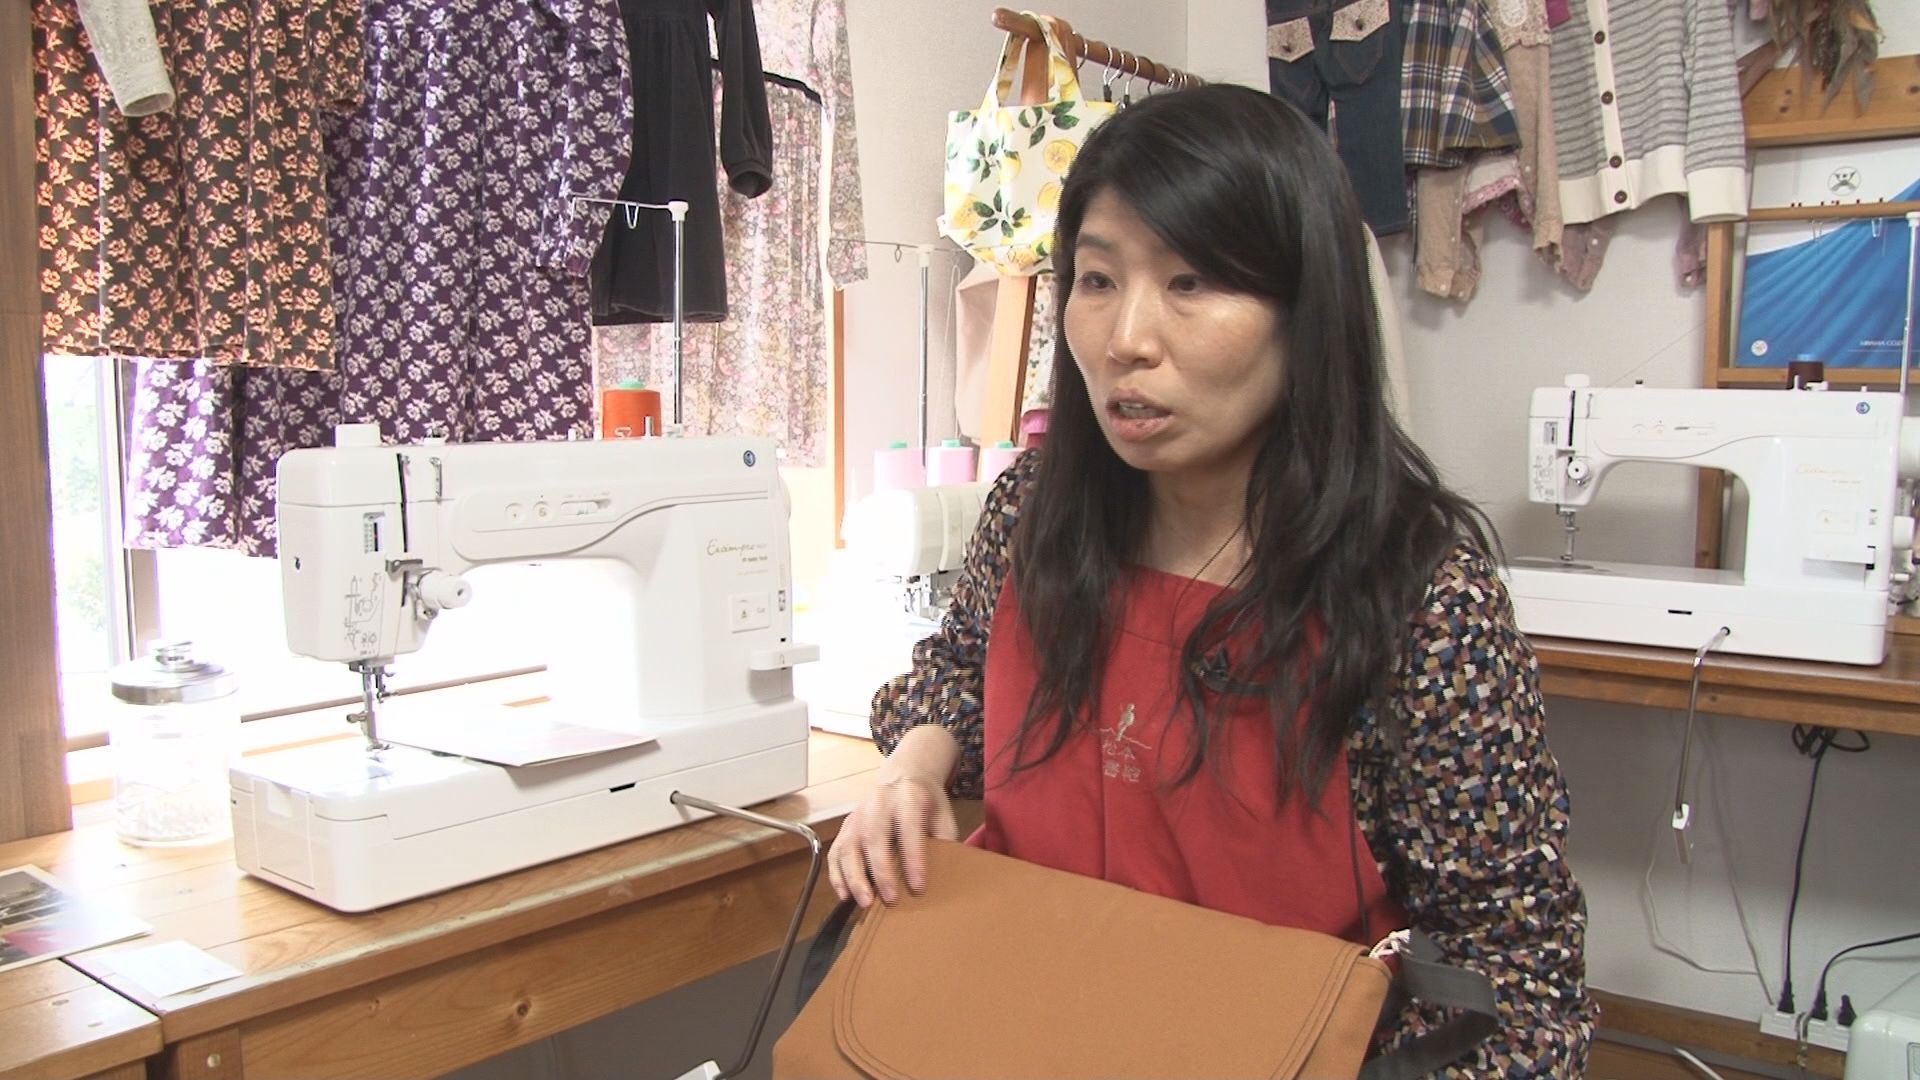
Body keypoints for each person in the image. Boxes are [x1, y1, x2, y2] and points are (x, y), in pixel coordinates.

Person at [832, 83, 1595, 1076]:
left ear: (1303, 311)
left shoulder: (1420, 599)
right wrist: (912, 768)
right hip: (1016, 1025)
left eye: (1190, 282)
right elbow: (963, 677)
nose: (1126, 338)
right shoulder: (1034, 510)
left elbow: (1518, 984)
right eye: (1097, 279)